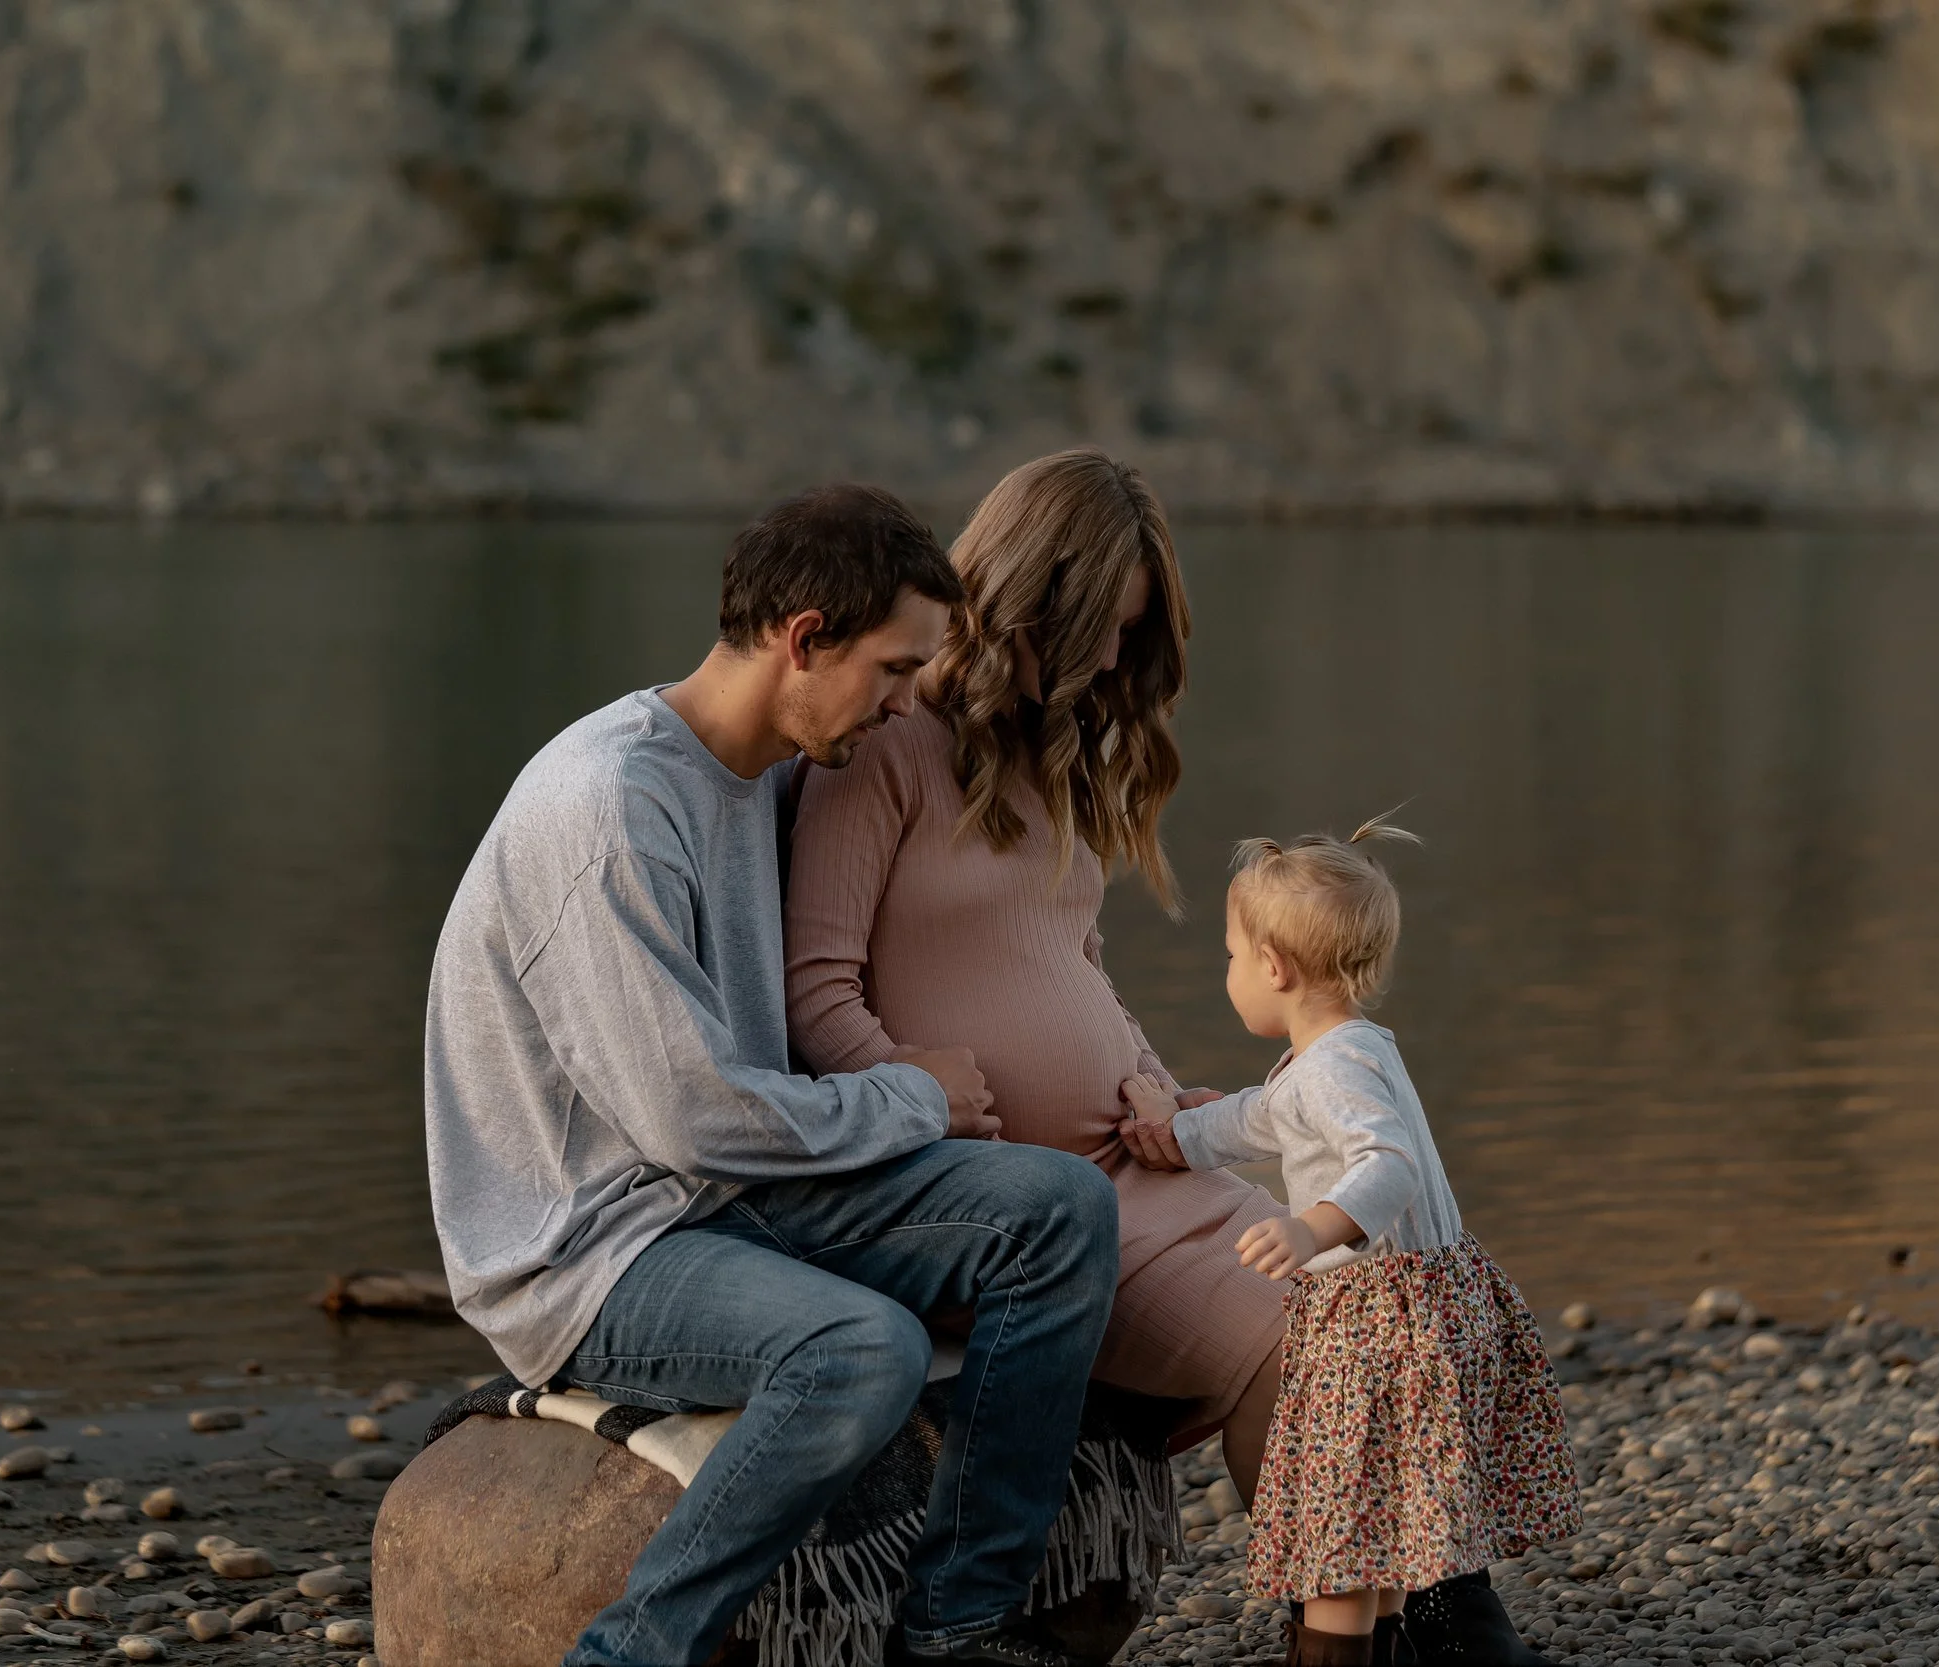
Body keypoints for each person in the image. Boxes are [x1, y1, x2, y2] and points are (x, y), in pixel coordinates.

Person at [423, 483, 1121, 1667]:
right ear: (805, 638)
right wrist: (914, 1094)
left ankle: (957, 1623)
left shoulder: (757, 771)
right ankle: (629, 1651)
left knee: (1058, 1213)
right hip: (596, 1247)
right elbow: (691, 1116)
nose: (909, 704)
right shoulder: (610, 810)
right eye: (895, 671)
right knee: (862, 1349)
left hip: (731, 1199)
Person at [784, 448, 1296, 1492]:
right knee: (1295, 1347)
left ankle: (1430, 1621)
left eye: (1130, 630)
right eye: (1103, 624)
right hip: (1029, 1219)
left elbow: (1075, 962)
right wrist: (916, 1098)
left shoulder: (1046, 751)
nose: (1113, 658)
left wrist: (1159, 1083)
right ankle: (1355, 1636)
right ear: (1028, 597)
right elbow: (812, 990)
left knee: (1365, 1308)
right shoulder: (884, 739)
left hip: (1141, 1173)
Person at [1118, 819, 1583, 1667]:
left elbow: (1388, 1162)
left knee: (1338, 1527)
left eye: (1229, 956)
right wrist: (1173, 1131)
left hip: (1382, 1321)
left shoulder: (1336, 1070)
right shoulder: (1343, 1051)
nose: (1228, 972)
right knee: (1390, 1511)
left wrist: (1312, 1225)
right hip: (1430, 1311)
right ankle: (1396, 1649)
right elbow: (1252, 1120)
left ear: (1273, 967)